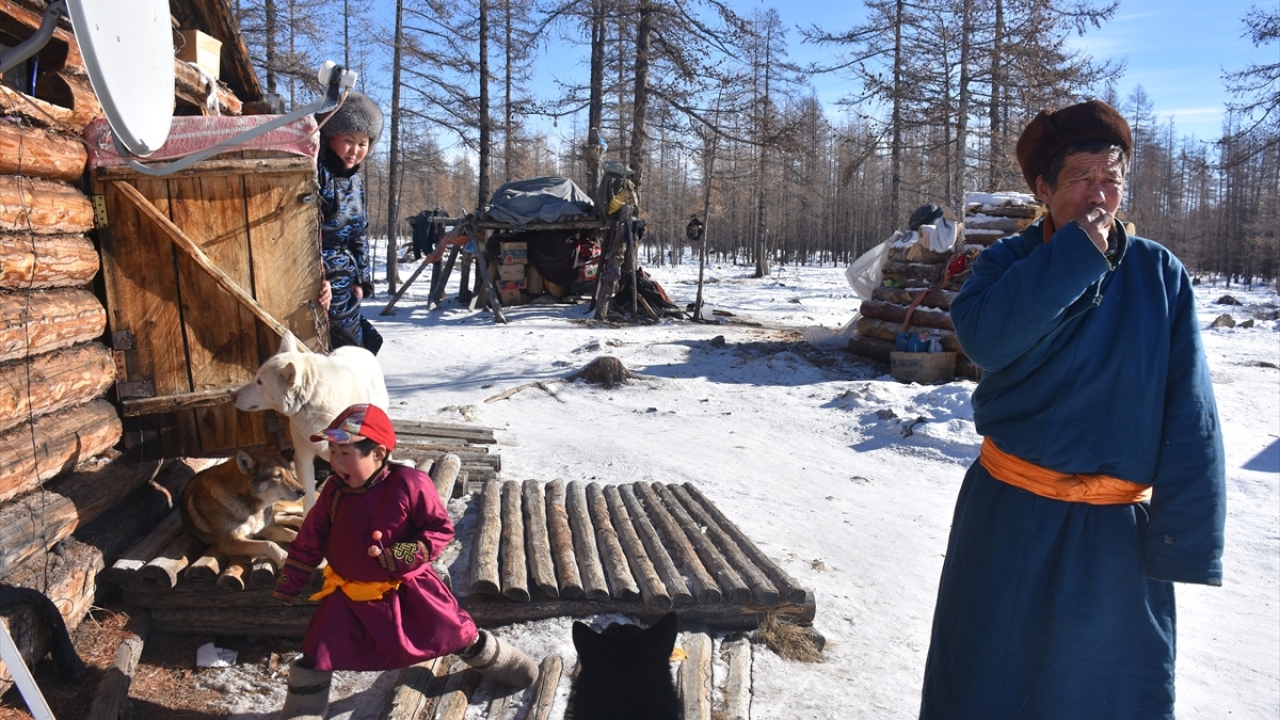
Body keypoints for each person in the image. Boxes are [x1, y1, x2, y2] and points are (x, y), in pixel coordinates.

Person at [919, 99, 1226, 720]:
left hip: (1112, 540)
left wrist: (1183, 539)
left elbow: (1189, 410)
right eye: (1082, 178)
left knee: (1104, 695)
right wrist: (1076, 256)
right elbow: (988, 339)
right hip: (1008, 518)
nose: (1099, 195)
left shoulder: (1158, 274)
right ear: (1043, 188)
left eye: (1111, 180)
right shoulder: (1007, 263)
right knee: (987, 683)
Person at [274, 403, 538, 719]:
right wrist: (291, 581)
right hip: (350, 596)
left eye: (346, 453)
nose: (336, 461)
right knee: (318, 651)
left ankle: (505, 664)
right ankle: (304, 709)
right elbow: (310, 537)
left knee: (454, 633)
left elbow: (439, 530)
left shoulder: (409, 485)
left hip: (408, 592)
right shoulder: (333, 491)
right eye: (332, 451)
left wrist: (400, 554)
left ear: (379, 454)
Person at [316, 91, 383, 355]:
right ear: (329, 136)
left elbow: (360, 234)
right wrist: (319, 278)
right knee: (333, 352)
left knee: (354, 351)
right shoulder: (316, 174)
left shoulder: (355, 181)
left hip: (347, 284)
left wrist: (361, 279)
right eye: (348, 140)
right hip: (323, 285)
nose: (355, 151)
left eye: (363, 143)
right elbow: (304, 234)